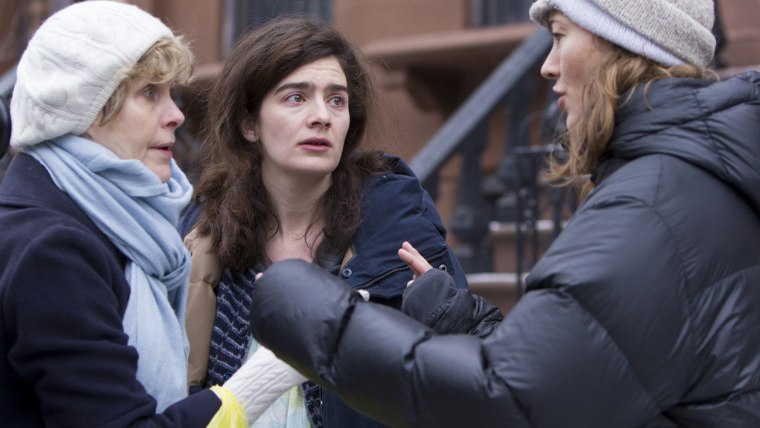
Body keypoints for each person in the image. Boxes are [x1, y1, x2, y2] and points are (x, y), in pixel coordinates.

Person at [246, 0, 760, 426]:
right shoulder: (689, 182)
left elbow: (508, 402)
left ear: (622, 42)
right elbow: (583, 378)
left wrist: (304, 305)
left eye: (560, 35)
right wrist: (461, 321)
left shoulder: (654, 203)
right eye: (294, 97)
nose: (547, 66)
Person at [0, 2, 300, 426]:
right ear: (84, 109)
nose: (176, 115)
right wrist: (266, 375)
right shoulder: (52, 250)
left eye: (171, 93)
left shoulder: (113, 223)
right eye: (149, 94)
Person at [178, 15, 469, 428]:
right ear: (249, 123)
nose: (322, 116)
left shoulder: (398, 223)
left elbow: (467, 372)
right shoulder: (201, 231)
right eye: (296, 97)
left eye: (337, 100)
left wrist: (446, 317)